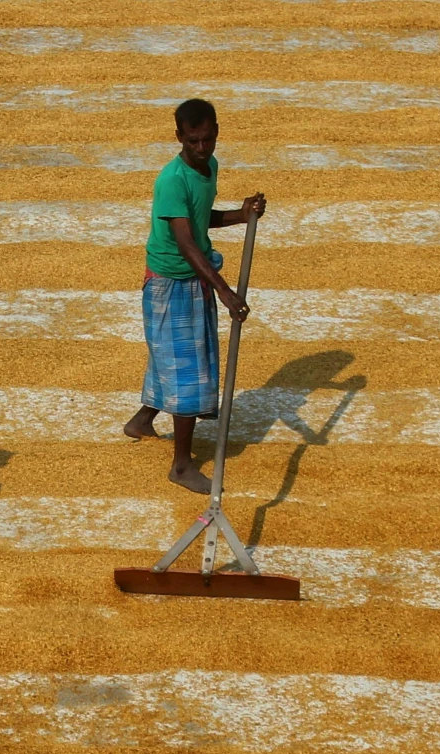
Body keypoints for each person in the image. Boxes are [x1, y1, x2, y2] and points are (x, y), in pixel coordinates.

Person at [121, 98, 266, 494]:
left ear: (217, 132)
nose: (202, 149)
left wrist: (241, 213)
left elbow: (202, 218)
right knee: (187, 371)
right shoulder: (171, 180)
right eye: (193, 142)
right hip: (171, 284)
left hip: (193, 278)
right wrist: (224, 291)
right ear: (179, 138)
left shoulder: (209, 167)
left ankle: (142, 421)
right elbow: (186, 241)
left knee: (175, 356)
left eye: (208, 140)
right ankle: (181, 466)